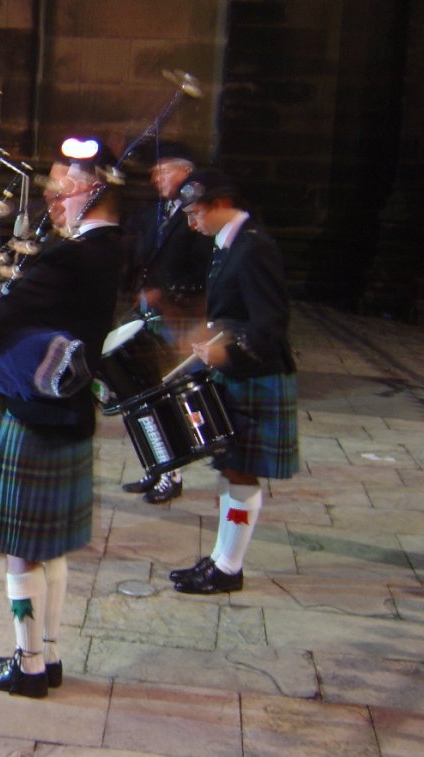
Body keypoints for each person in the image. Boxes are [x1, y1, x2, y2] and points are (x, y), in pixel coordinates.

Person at [0, 138, 123, 697]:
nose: (53, 199)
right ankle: (47, 655)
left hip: (35, 416)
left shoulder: (69, 255)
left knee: (22, 547)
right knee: (50, 546)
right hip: (71, 410)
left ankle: (27, 666)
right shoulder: (112, 248)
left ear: (90, 190)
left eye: (61, 189)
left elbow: (8, 314)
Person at [169, 169, 298, 594]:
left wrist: (229, 349)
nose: (192, 223)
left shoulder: (254, 247)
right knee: (229, 469)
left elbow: (270, 323)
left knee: (241, 473)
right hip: (235, 374)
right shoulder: (231, 245)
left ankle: (230, 567)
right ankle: (223, 557)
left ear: (221, 202)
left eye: (196, 213)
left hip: (255, 375)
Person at [122, 142, 213, 504]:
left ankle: (172, 472)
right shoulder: (158, 212)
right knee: (147, 392)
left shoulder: (197, 213)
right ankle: (156, 466)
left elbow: (201, 266)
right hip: (150, 312)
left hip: (180, 314)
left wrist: (170, 295)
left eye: (163, 171)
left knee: (171, 393)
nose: (155, 177)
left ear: (186, 172)